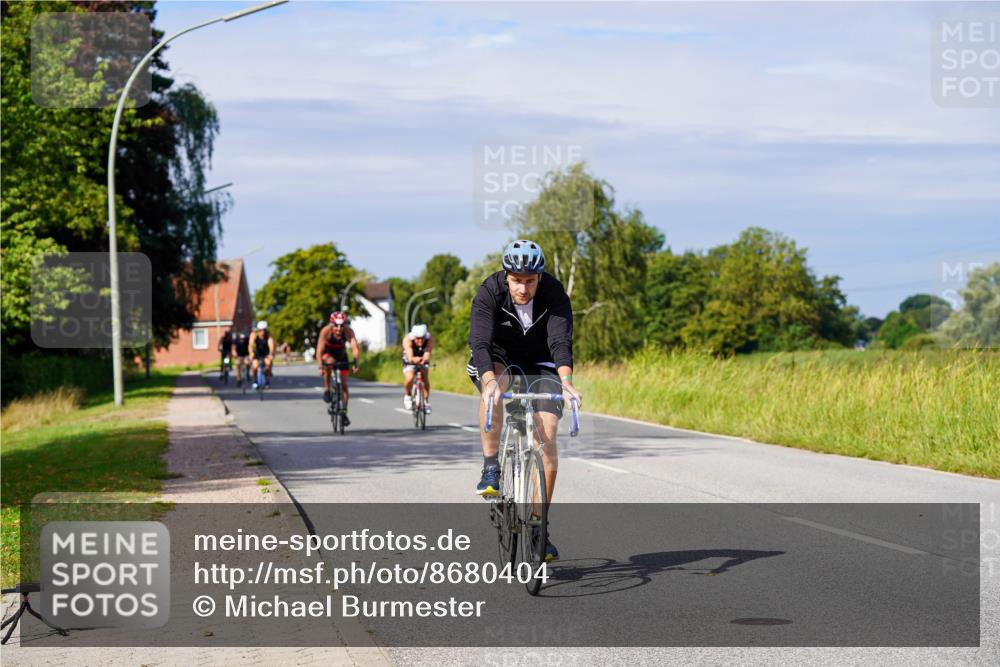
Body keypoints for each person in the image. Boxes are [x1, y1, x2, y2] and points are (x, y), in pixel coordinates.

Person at [467, 239, 582, 561]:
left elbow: (560, 341)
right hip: (498, 356)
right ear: (507, 276)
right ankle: (491, 466)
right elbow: (479, 341)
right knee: (496, 390)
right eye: (517, 280)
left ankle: (537, 526)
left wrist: (568, 383)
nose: (523, 288)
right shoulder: (490, 291)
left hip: (541, 360)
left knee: (547, 435)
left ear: (539, 278)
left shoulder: (554, 293)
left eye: (530, 281)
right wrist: (489, 382)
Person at [315, 311, 361, 426]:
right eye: (336, 325)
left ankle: (344, 412)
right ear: (331, 324)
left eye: (342, 326)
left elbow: (355, 348)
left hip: (341, 354)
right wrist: (320, 366)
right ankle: (327, 389)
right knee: (329, 363)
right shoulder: (326, 331)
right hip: (328, 353)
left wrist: (356, 363)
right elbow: (319, 350)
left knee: (345, 385)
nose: (339, 329)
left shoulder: (348, 331)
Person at [402, 323, 434, 413]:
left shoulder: (430, 339)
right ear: (413, 337)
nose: (420, 341)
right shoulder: (407, 339)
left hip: (422, 355)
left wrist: (424, 359)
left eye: (422, 338)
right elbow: (409, 354)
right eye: (418, 338)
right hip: (410, 356)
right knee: (410, 377)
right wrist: (413, 359)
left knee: (425, 377)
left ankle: (426, 401)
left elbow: (428, 352)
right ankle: (408, 395)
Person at [248, 321, 275, 388]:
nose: (262, 332)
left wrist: (271, 354)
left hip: (266, 353)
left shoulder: (268, 335)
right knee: (255, 366)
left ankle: (267, 381)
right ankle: (255, 381)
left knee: (268, 364)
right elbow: (250, 345)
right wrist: (251, 353)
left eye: (264, 330)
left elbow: (271, 345)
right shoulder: (254, 334)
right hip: (257, 353)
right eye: (260, 330)